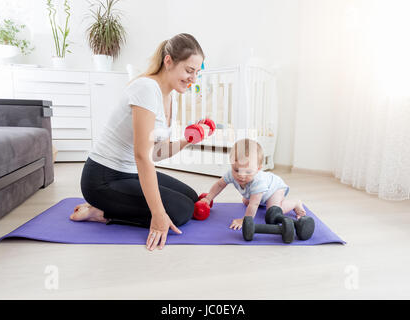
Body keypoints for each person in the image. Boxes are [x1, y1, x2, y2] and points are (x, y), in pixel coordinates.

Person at [70, 33, 206, 251]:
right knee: (180, 211)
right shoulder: (146, 88)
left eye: (197, 73)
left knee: (191, 198)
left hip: (129, 172)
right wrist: (158, 215)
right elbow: (142, 155)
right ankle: (101, 212)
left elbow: (156, 153)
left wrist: (187, 140)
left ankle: (113, 206)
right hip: (102, 178)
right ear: (168, 61)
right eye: (189, 70)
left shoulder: (171, 98)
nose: (193, 78)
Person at [199, 138, 307, 230]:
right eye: (236, 170)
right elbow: (219, 185)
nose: (241, 175)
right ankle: (263, 201)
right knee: (246, 202)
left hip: (274, 189)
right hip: (260, 194)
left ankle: (295, 203)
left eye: (248, 172)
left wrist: (245, 220)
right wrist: (208, 198)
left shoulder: (258, 181)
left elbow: (254, 204)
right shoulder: (231, 174)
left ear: (258, 169)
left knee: (272, 212)